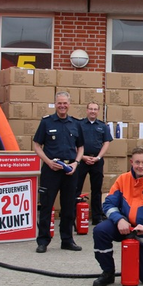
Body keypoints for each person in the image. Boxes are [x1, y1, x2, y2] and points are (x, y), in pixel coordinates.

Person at [92, 146, 143, 286]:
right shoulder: (123, 179)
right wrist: (120, 220)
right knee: (100, 231)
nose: (141, 166)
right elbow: (108, 204)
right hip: (125, 226)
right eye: (137, 162)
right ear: (131, 162)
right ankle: (108, 272)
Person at [32, 91, 84, 253]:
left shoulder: (76, 124)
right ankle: (43, 241)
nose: (62, 106)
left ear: (69, 104)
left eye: (65, 103)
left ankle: (67, 240)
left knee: (68, 207)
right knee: (47, 206)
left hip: (70, 171)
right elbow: (36, 145)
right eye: (59, 103)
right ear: (55, 104)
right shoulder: (47, 122)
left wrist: (76, 163)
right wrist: (47, 162)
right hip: (51, 170)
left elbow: (81, 147)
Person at [75, 101, 113, 224]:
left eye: (95, 109)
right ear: (87, 110)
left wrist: (98, 157)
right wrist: (83, 157)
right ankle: (73, 216)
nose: (92, 111)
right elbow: (74, 142)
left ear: (98, 111)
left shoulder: (103, 126)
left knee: (96, 189)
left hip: (97, 161)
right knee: (76, 188)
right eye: (90, 109)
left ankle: (97, 217)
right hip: (81, 160)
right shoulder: (79, 124)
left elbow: (106, 143)